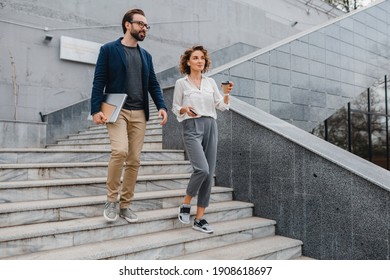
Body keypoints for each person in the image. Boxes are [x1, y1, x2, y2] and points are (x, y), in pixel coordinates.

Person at [90, 8, 168, 223]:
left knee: (134, 159)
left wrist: (161, 106)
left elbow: (153, 83)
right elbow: (99, 80)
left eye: (146, 25)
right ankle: (111, 200)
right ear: (127, 24)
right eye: (141, 24)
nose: (144, 28)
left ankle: (125, 204)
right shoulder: (108, 50)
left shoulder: (146, 55)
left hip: (139, 112)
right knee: (120, 151)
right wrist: (95, 110)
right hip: (117, 110)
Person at [172, 45, 233, 233]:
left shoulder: (210, 82)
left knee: (209, 173)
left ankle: (199, 219)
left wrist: (227, 93)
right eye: (196, 58)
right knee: (202, 169)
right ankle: (186, 203)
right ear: (188, 62)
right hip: (191, 126)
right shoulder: (181, 83)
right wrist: (183, 109)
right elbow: (175, 107)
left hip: (210, 126)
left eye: (202, 58)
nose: (200, 61)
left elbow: (221, 106)